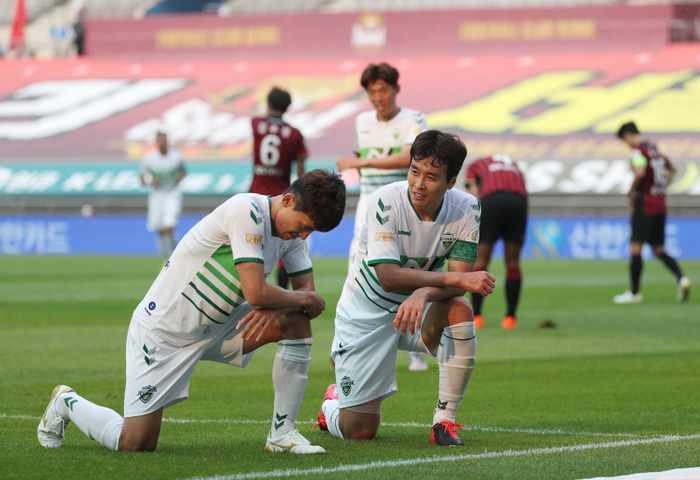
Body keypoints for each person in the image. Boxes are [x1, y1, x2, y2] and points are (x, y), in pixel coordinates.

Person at [38, 169, 346, 454]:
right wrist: (284, 300)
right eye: (304, 227)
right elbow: (262, 292)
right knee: (135, 443)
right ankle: (66, 401)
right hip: (163, 333)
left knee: (296, 322)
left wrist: (284, 302)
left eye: (311, 232)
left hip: (220, 327)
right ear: (288, 200)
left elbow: (307, 295)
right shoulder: (247, 210)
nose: (304, 237)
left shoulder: (290, 236)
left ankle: (282, 434)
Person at [316, 130, 496, 446]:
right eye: (415, 171)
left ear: (451, 181)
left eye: (432, 176)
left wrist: (424, 293)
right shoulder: (385, 201)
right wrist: (447, 283)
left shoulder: (468, 208)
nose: (419, 183)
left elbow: (459, 282)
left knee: (459, 309)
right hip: (365, 316)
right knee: (359, 431)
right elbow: (389, 276)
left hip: (416, 311)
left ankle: (444, 421)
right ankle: (331, 406)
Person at [336, 61, 429, 372]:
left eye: (384, 89)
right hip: (369, 204)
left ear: (396, 90)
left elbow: (409, 156)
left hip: (405, 204)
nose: (379, 96)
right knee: (357, 267)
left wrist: (361, 162)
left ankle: (417, 346)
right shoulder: (362, 122)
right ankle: (349, 340)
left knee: (408, 269)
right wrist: (357, 163)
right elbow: (358, 161)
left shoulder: (414, 119)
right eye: (372, 91)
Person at [613, 121, 690, 304]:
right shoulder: (655, 150)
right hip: (660, 205)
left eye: (625, 141)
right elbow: (673, 169)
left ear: (627, 135)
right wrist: (661, 187)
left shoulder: (638, 151)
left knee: (635, 249)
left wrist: (631, 191)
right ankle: (682, 278)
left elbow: (639, 172)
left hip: (644, 206)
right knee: (659, 249)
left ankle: (634, 293)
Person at [249, 87, 308, 290]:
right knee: (283, 247)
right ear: (288, 107)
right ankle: (281, 294)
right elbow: (301, 173)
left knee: (250, 244)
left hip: (254, 195)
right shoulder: (295, 134)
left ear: (269, 104)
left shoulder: (256, 124)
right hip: (281, 198)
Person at [465, 154, 528, 330]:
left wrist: (479, 213)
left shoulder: (476, 163)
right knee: (513, 263)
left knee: (481, 261)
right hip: (519, 201)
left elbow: (474, 190)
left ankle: (477, 316)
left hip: (492, 200)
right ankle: (510, 318)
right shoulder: (514, 163)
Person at [140, 131, 187, 262]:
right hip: (157, 195)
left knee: (169, 226)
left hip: (172, 193)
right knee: (159, 229)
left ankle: (174, 256)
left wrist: (179, 177)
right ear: (156, 142)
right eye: (159, 141)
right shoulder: (150, 159)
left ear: (167, 141)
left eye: (164, 140)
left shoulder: (176, 156)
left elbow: (184, 171)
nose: (162, 143)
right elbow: (141, 179)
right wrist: (150, 181)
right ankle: (164, 260)